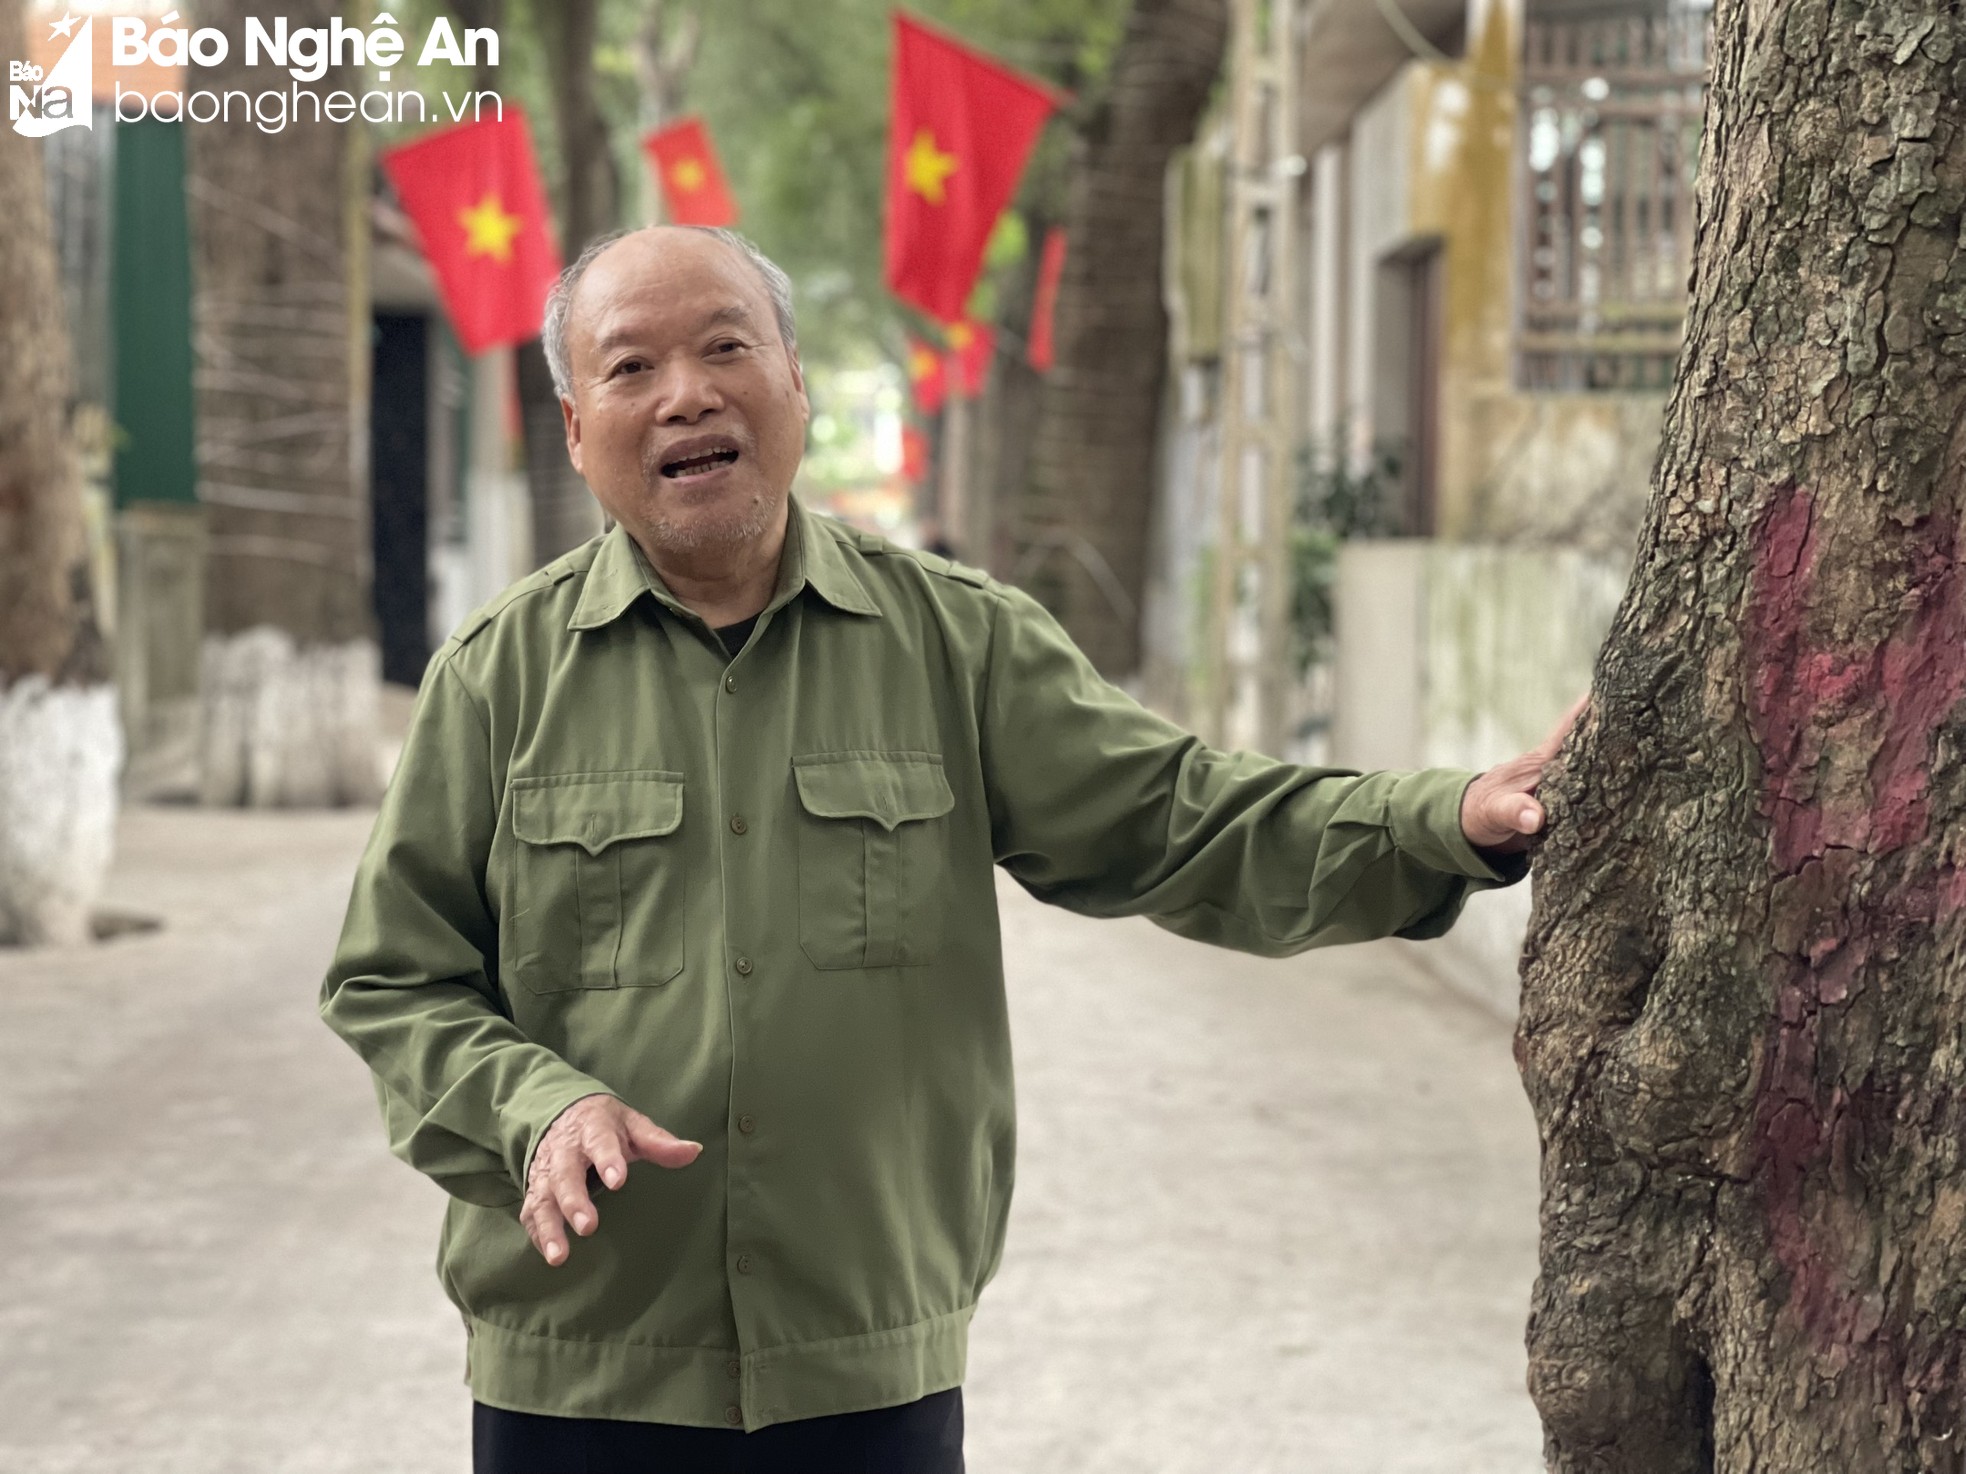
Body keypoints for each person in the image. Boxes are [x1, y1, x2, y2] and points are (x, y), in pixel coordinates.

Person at [320, 225, 1583, 1474]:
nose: (687, 394)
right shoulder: (497, 679)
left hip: (863, 1364)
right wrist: (535, 1109)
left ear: (796, 381)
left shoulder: (955, 644)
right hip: (578, 1375)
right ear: (574, 426)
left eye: (725, 347)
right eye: (630, 367)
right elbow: (390, 976)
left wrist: (1444, 818)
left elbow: (1182, 816)